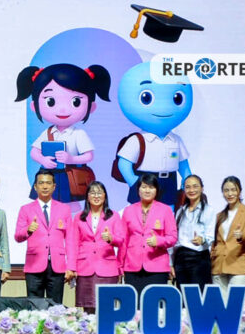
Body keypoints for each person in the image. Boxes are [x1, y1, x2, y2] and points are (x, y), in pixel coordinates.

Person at [15, 63, 111, 208]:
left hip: (69, 176)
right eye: (51, 101)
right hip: (47, 175)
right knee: (45, 205)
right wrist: (43, 159)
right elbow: (34, 152)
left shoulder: (79, 134)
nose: (62, 109)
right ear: (35, 106)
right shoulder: (47, 133)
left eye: (76, 102)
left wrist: (71, 159)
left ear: (91, 107)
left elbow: (89, 156)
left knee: (70, 207)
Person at [116, 61, 194, 206]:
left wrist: (187, 182)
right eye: (146, 98)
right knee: (142, 214)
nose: (163, 108)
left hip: (170, 182)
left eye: (177, 98)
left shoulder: (176, 140)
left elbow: (184, 166)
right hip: (145, 181)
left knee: (168, 213)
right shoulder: (137, 140)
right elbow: (124, 164)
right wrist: (135, 183)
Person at [15, 169, 73, 304]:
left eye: (48, 183)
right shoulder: (26, 209)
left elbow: (70, 240)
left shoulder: (64, 209)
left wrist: (71, 266)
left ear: (54, 186)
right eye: (41, 183)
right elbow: (17, 236)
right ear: (35, 187)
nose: (45, 186)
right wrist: (28, 230)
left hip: (57, 266)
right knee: (35, 306)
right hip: (34, 265)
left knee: (56, 307)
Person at [68, 181, 125, 311]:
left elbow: (121, 240)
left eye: (99, 193)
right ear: (87, 197)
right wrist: (71, 267)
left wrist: (111, 238)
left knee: (107, 308)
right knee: (88, 309)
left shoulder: (113, 216)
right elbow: (73, 244)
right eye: (92, 193)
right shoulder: (79, 217)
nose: (96, 196)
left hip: (107, 269)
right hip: (85, 268)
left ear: (105, 196)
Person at [121, 173, 177, 299]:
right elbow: (123, 241)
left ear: (156, 190)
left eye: (151, 187)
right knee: (134, 305)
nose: (147, 190)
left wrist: (159, 241)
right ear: (138, 189)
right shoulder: (128, 210)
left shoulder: (165, 210)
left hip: (157, 267)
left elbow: (173, 237)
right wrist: (120, 266)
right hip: (132, 266)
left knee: (155, 305)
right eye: (144, 187)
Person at [211, 176, 245, 295]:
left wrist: (241, 237)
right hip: (218, 265)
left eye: (233, 190)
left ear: (239, 191)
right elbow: (215, 241)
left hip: (238, 264)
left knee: (235, 302)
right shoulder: (219, 215)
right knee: (220, 304)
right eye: (226, 190)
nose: (230, 194)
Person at [172, 175, 216, 291]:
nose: (191, 190)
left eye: (195, 186)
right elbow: (175, 240)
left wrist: (202, 239)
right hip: (180, 258)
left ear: (202, 188)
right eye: (188, 187)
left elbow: (211, 236)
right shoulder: (180, 211)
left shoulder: (209, 210)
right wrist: (171, 263)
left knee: (197, 296)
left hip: (199, 258)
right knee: (182, 295)